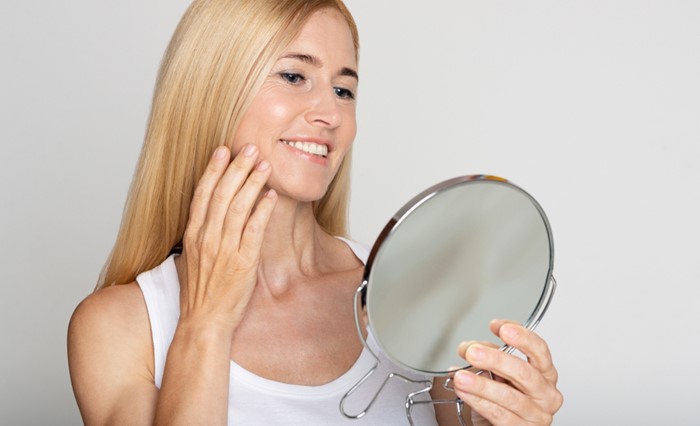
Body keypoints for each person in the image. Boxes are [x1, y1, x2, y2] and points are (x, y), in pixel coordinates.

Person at [67, 0, 563, 424]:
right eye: (293, 75)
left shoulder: (413, 297)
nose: (331, 113)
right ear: (211, 89)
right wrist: (206, 324)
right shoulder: (120, 327)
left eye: (344, 89)